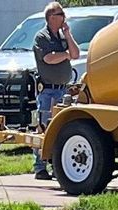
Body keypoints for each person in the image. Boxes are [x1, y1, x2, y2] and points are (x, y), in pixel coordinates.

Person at [31, 2, 81, 180]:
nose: (64, 17)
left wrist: (68, 35)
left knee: (60, 129)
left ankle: (56, 164)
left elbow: (76, 54)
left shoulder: (62, 35)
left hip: (62, 90)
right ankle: (39, 167)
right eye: (61, 14)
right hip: (47, 91)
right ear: (51, 17)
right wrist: (65, 54)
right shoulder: (41, 37)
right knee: (43, 127)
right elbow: (48, 58)